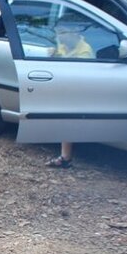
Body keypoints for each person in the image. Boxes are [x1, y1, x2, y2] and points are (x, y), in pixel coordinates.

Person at [46, 17, 96, 169]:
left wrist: (58, 59)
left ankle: (66, 157)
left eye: (62, 33)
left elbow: (78, 76)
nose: (59, 37)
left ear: (74, 32)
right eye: (57, 33)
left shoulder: (85, 51)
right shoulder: (63, 44)